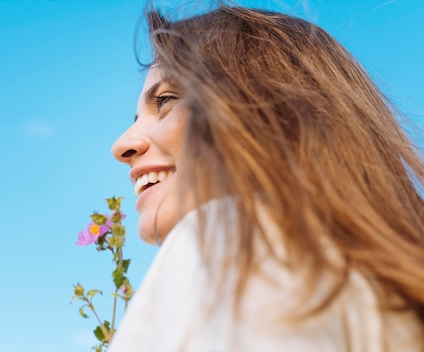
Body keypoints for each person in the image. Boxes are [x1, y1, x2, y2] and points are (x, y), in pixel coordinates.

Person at [109, 4, 424, 351]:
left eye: (166, 100)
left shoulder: (230, 237)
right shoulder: (384, 289)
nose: (121, 145)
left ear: (268, 104)